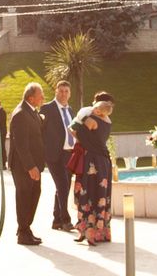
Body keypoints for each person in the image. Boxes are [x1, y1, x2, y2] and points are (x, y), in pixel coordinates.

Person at [71, 100, 114, 246]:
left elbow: (78, 134)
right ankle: (99, 232)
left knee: (87, 193)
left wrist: (74, 127)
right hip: (104, 162)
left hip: (92, 162)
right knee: (100, 195)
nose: (92, 109)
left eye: (96, 108)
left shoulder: (92, 120)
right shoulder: (108, 121)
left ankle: (88, 233)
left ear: (100, 112)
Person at [8, 82, 45, 245]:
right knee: (24, 197)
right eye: (41, 95)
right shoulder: (21, 114)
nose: (43, 98)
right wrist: (31, 167)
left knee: (33, 195)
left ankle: (25, 228)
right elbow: (21, 145)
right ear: (31, 98)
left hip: (34, 164)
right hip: (24, 166)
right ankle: (23, 233)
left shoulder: (32, 112)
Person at [41, 81, 76, 232]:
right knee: (62, 185)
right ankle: (66, 220)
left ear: (70, 93)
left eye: (66, 91)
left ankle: (56, 220)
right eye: (61, 91)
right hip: (54, 155)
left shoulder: (71, 111)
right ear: (56, 92)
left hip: (69, 154)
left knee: (64, 187)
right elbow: (39, 131)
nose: (63, 94)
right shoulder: (47, 109)